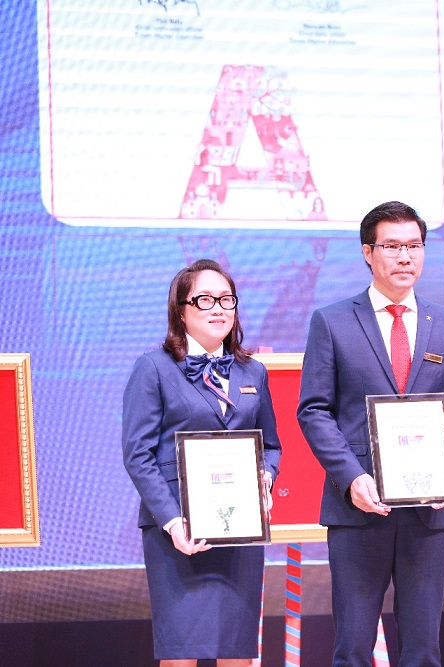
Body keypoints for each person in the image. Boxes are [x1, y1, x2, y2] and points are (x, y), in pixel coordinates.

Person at [297, 201, 444, 667]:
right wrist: (351, 477)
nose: (405, 257)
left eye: (414, 246)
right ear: (368, 252)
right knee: (353, 646)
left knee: (423, 649)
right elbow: (314, 410)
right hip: (358, 506)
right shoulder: (332, 322)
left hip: (429, 511)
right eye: (392, 246)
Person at [122, 259, 281, 666]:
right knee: (181, 653)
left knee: (236, 652)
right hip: (178, 534)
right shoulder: (153, 368)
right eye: (205, 299)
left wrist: (264, 476)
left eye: (226, 299)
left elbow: (271, 446)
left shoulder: (253, 372)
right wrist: (173, 522)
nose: (218, 309)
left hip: (239, 531)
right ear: (181, 310)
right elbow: (138, 455)